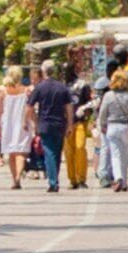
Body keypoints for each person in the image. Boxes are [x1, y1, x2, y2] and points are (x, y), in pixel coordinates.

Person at [29, 65, 76, 193]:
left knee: (49, 153)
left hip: (45, 124)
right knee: (56, 153)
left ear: (44, 72)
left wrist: (35, 122)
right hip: (60, 124)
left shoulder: (39, 87)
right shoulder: (62, 87)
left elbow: (30, 107)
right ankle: (54, 179)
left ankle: (53, 181)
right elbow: (69, 107)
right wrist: (70, 124)